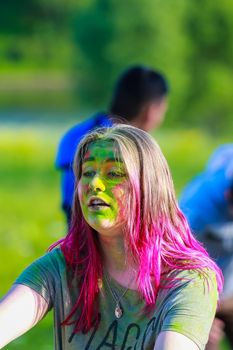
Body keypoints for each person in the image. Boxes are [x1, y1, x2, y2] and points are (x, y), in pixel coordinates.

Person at [0, 124, 223, 349]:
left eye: (114, 174)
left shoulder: (189, 281)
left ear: (149, 187)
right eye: (87, 173)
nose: (94, 185)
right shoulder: (63, 266)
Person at [55, 65, 169, 224]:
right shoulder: (128, 148)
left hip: (77, 227)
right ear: (151, 109)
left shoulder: (74, 134)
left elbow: (69, 201)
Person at [179, 144, 233, 350]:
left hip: (230, 290)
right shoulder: (197, 209)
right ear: (228, 197)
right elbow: (172, 262)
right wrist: (195, 310)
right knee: (203, 342)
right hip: (199, 291)